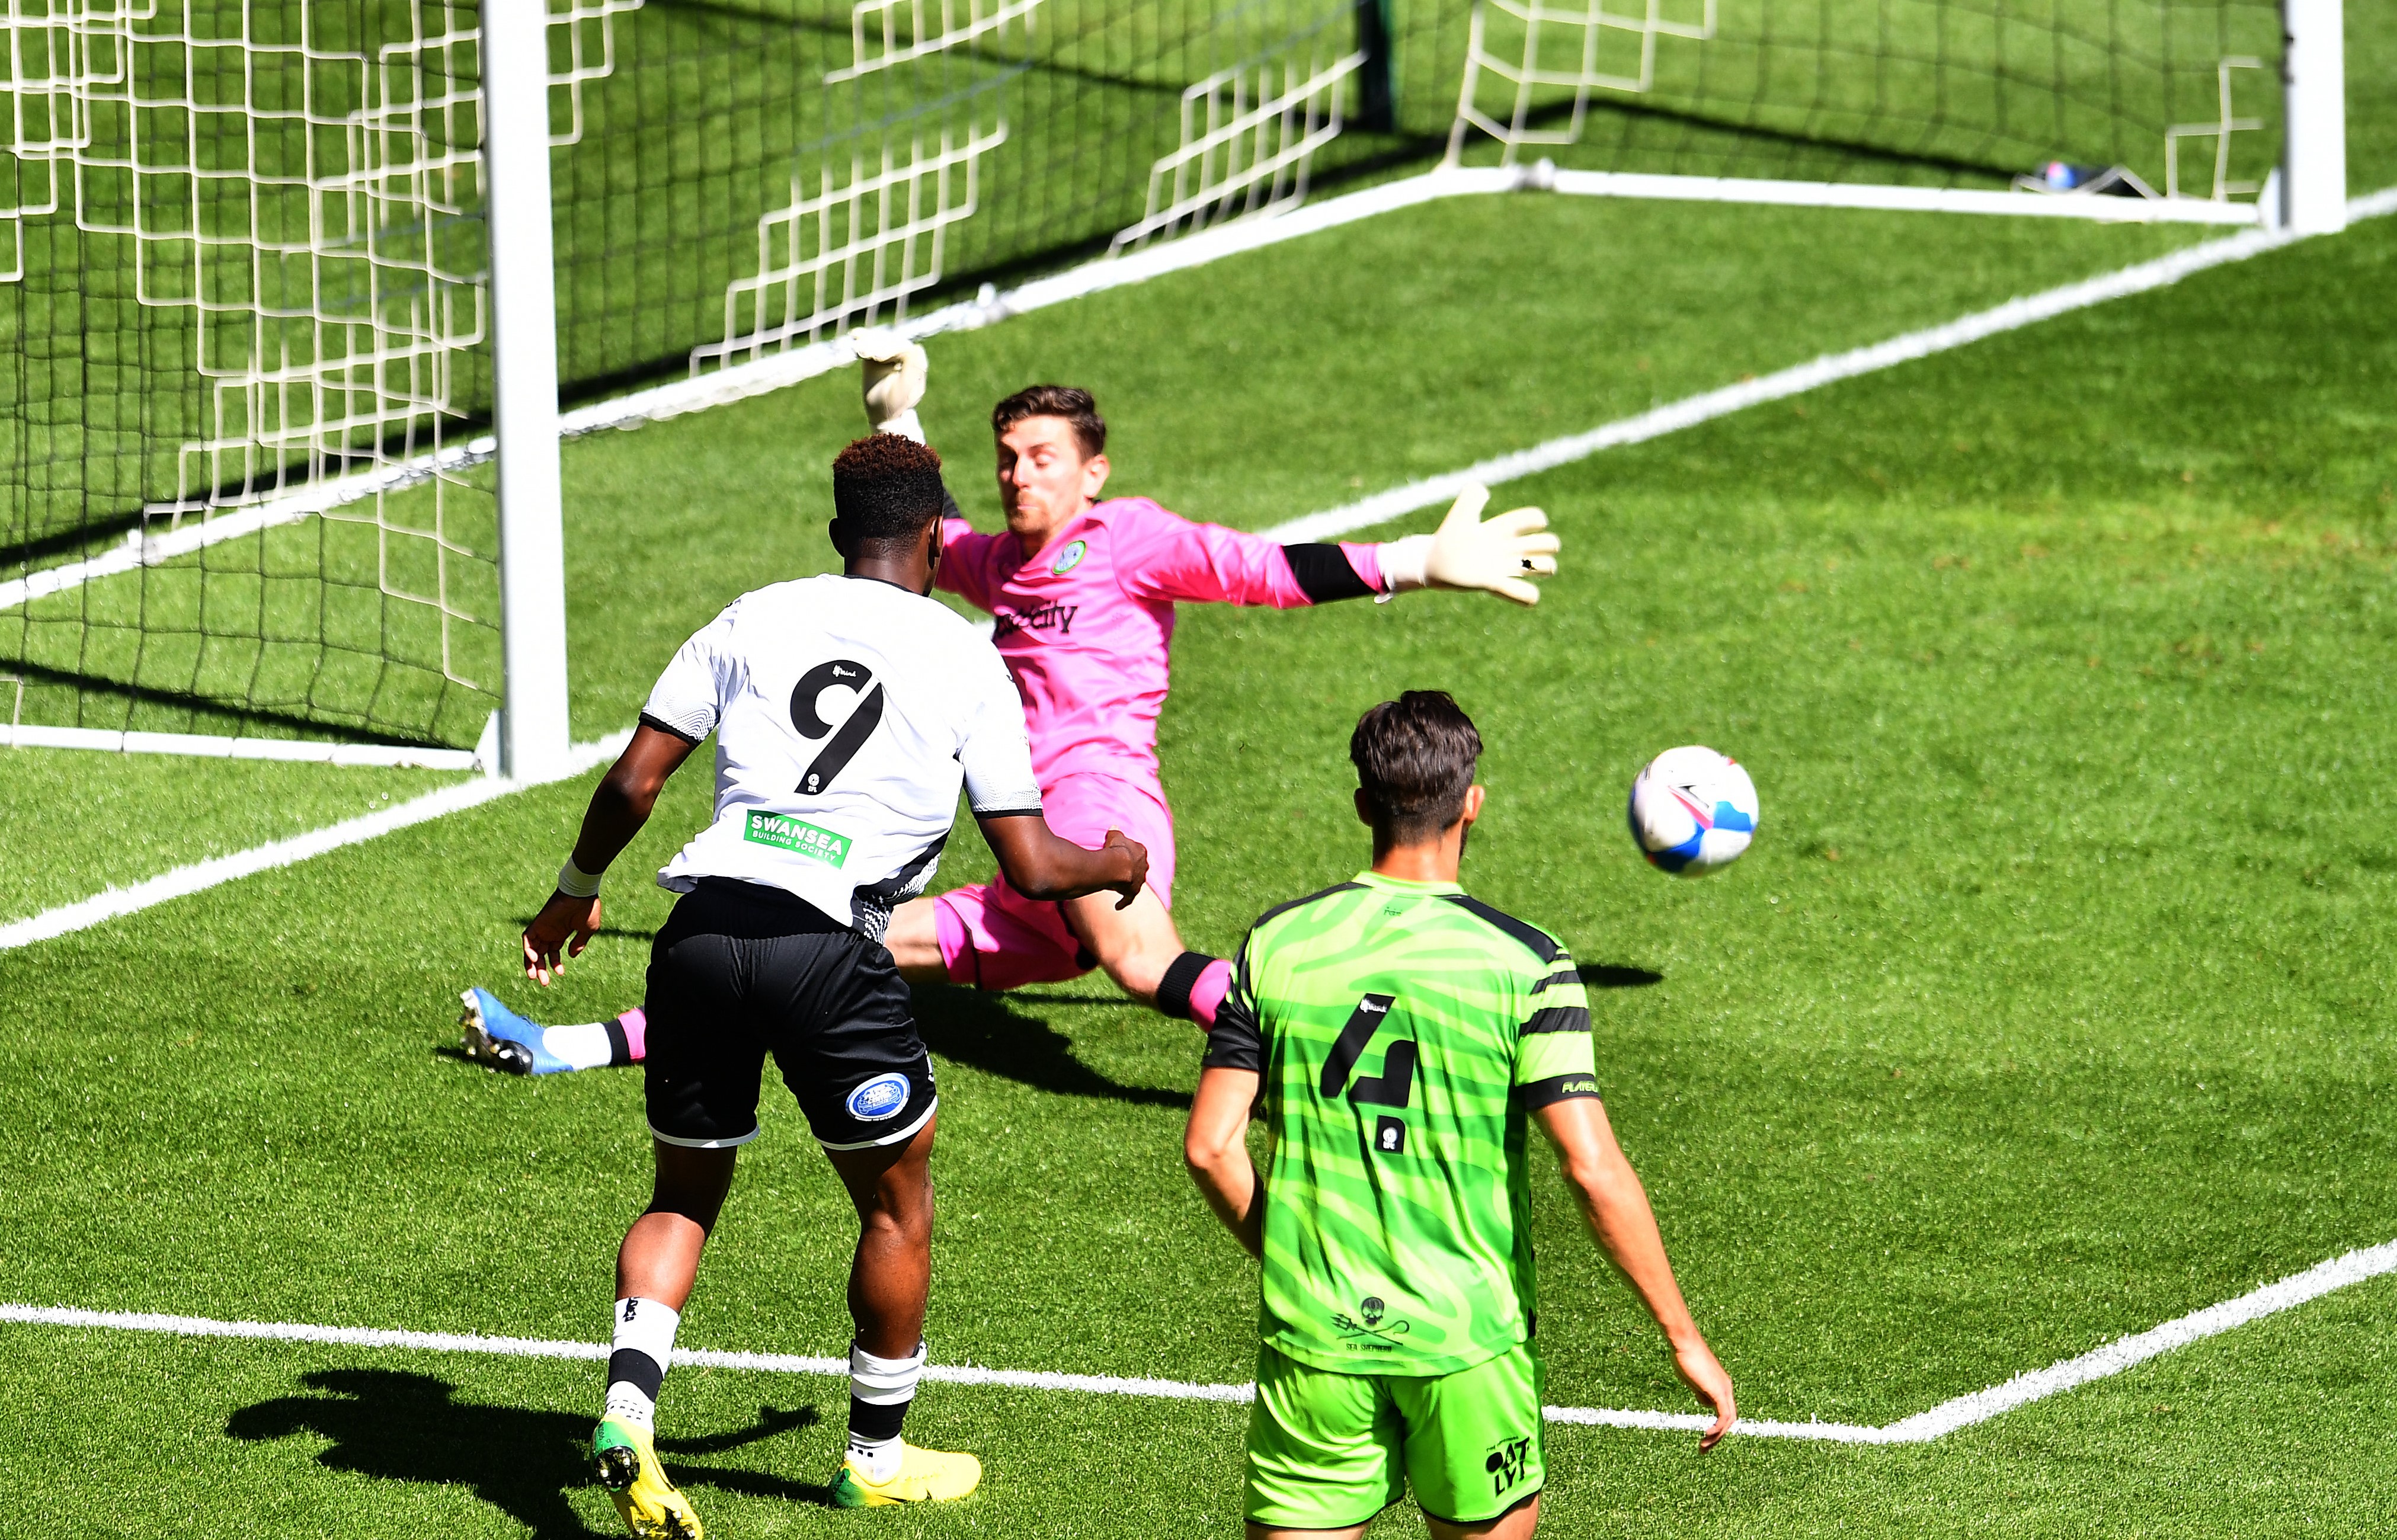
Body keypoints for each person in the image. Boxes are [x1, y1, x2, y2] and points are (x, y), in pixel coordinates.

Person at [462, 339, 1560, 1076]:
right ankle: (572, 1046)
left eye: (1043, 458)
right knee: (816, 938)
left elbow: (1265, 566)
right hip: (1023, 840)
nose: (1019, 476)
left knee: (1142, 964)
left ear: (1094, 473)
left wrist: (1419, 559)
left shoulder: (1129, 538)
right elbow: (919, 526)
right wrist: (897, 413)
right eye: (1006, 460)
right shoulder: (990, 563)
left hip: (1093, 805)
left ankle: (1360, 1057)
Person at [519, 433, 1147, 1536]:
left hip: (702, 932)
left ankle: (628, 1409)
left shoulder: (756, 613)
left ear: (832, 537)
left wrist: (573, 891)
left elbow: (636, 778)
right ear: (940, 538)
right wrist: (1119, 861)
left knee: (682, 1195)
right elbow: (1036, 868)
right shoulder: (965, 657)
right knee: (896, 1207)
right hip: (831, 953)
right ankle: (872, 1457)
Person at [1183, 691, 1734, 1540]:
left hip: (1313, 1339)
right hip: (1469, 1340)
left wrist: (1293, 1254)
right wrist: (1681, 1335)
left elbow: (1211, 1147)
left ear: (1363, 802)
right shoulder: (1527, 962)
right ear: (1471, 803)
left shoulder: (1276, 944)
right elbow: (1589, 1167)